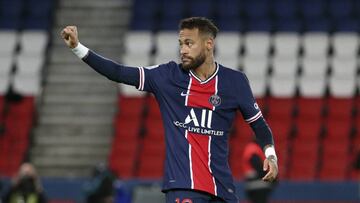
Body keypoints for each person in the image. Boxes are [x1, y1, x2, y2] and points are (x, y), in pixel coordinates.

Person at [61, 17, 278, 203]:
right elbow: (118, 72)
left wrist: (271, 155)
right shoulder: (167, 77)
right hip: (184, 186)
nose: (182, 50)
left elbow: (258, 124)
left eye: (189, 43)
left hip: (223, 189)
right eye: (180, 43)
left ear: (208, 44)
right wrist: (78, 48)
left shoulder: (235, 82)